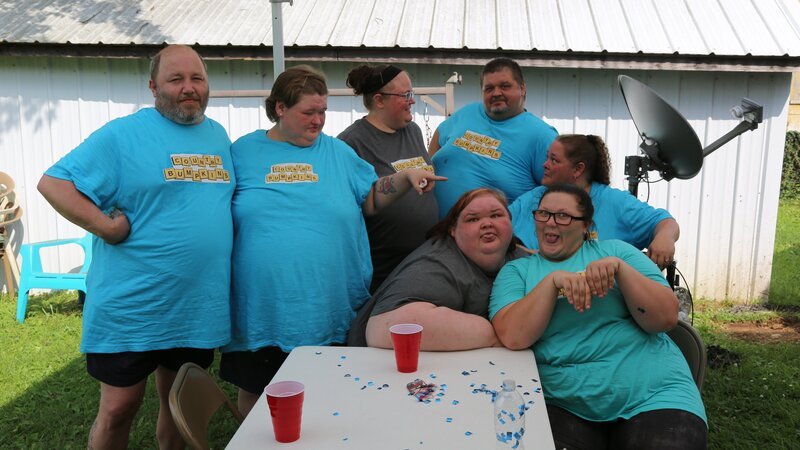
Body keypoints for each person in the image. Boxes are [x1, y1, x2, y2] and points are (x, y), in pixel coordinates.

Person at [37, 45, 233, 449]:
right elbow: (54, 184)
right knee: (120, 407)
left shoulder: (217, 136)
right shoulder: (122, 135)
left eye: (197, 78)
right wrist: (105, 227)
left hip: (195, 304)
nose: (188, 88)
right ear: (153, 86)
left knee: (180, 402)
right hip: (133, 306)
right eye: (176, 79)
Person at [220, 65, 444, 416]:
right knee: (259, 393)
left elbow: (370, 197)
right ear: (280, 108)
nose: (318, 121)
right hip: (264, 306)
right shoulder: (243, 152)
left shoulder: (338, 154)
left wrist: (403, 179)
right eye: (308, 112)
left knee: (328, 393)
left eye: (323, 111)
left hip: (326, 305)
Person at [490, 184, 707, 450]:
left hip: (655, 394)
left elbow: (665, 319)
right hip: (564, 403)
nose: (550, 223)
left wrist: (621, 272)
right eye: (543, 214)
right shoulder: (517, 272)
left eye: (563, 216)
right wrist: (551, 283)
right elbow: (513, 336)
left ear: (586, 226)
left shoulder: (617, 251)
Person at [348, 188, 524, 350]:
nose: (487, 223)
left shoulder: (521, 258)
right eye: (473, 219)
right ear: (452, 231)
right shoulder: (437, 263)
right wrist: (494, 335)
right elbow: (381, 329)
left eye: (496, 215)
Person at [338, 64, 439, 293]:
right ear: (379, 100)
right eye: (405, 95)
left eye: (411, 94)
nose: (412, 101)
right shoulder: (351, 143)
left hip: (425, 261)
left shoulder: (412, 131)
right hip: (383, 271)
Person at [509, 134, 680, 267]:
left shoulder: (613, 202)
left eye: (554, 160)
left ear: (578, 169)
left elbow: (665, 223)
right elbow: (501, 226)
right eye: (547, 158)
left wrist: (665, 238)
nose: (544, 165)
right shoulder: (533, 198)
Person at [429, 57, 557, 218]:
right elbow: (440, 134)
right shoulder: (468, 112)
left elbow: (557, 193)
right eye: (489, 88)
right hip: (436, 232)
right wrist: (429, 165)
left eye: (505, 86)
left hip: (491, 237)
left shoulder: (542, 136)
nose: (496, 93)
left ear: (522, 88)